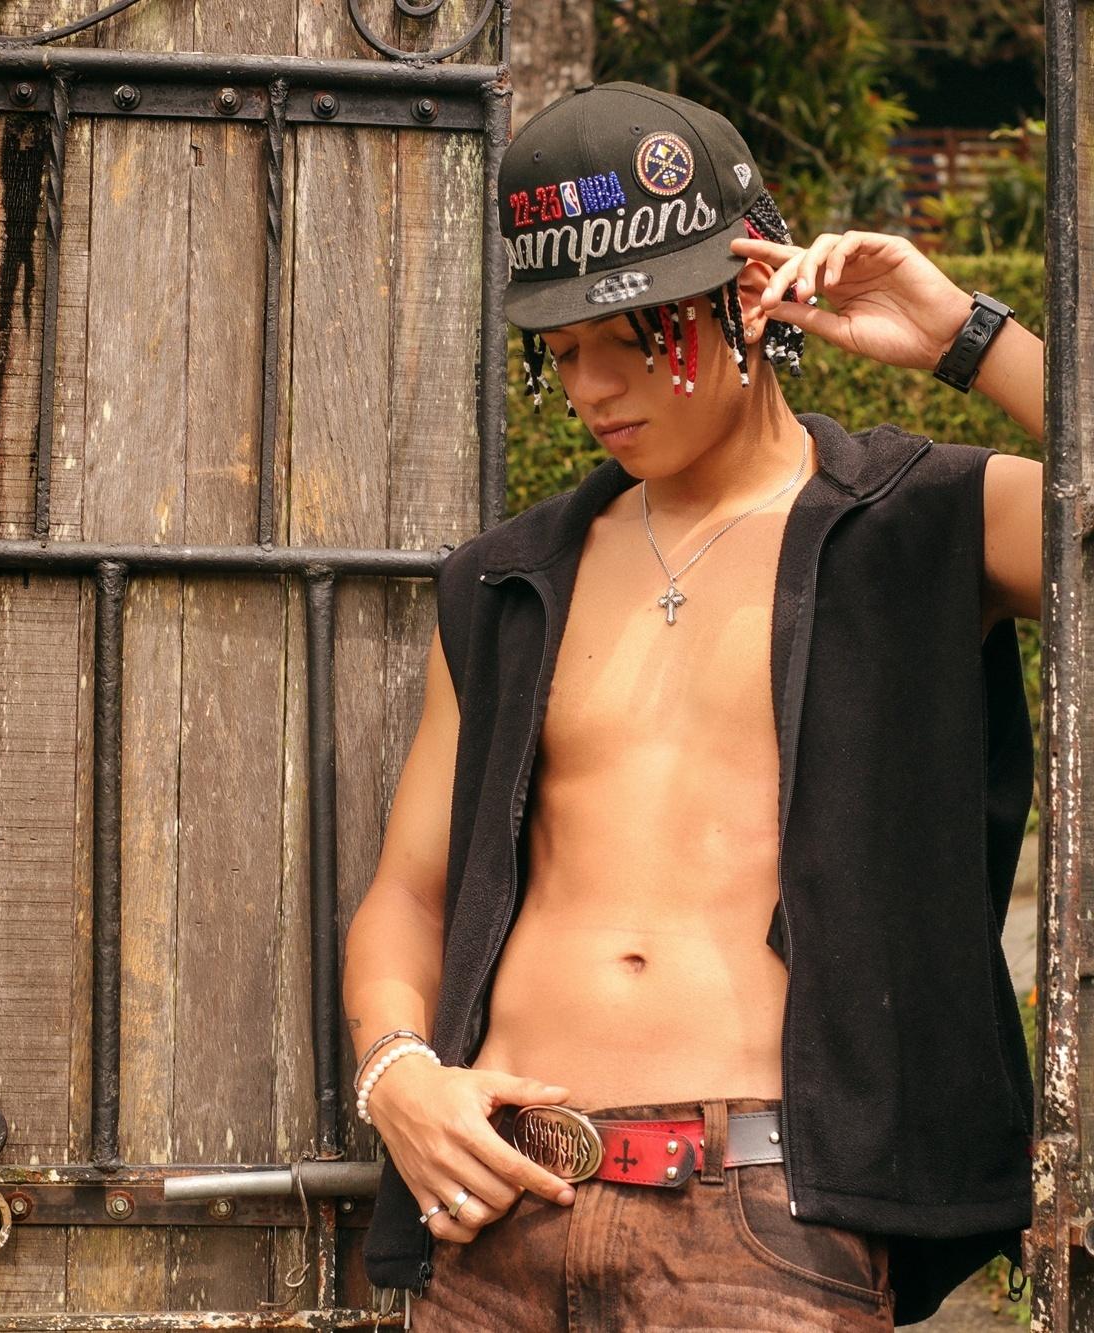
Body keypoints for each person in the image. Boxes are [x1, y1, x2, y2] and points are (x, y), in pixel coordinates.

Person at [342, 80, 1045, 1330]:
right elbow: (410, 891)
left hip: (758, 1219)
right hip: (498, 1209)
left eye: (634, 336)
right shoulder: (509, 582)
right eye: (563, 352)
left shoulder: (922, 522)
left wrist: (962, 335)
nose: (593, 387)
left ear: (749, 296)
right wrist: (397, 1074)